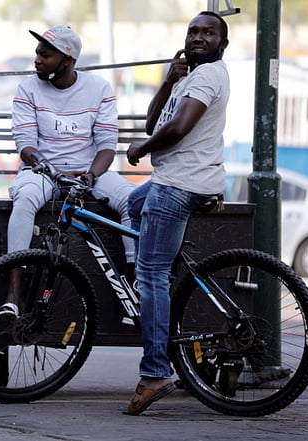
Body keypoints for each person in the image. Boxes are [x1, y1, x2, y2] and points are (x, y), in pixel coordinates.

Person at [124, 11, 230, 415]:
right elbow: (155, 120)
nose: (199, 37)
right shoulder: (188, 77)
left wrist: (141, 149)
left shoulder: (209, 76)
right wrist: (169, 78)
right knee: (133, 204)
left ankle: (154, 373)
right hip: (178, 179)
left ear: (223, 42)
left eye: (209, 32)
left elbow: (180, 127)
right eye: (193, 31)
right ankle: (160, 279)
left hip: (179, 185)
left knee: (149, 277)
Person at [0, 25, 136, 322]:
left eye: (45, 55)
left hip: (88, 170)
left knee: (131, 200)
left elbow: (108, 146)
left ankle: (136, 286)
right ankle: (14, 299)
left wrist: (90, 176)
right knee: (25, 200)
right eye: (37, 52)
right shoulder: (28, 89)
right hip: (43, 171)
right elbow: (25, 144)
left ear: (67, 61)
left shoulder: (99, 89)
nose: (36, 59)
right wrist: (52, 170)